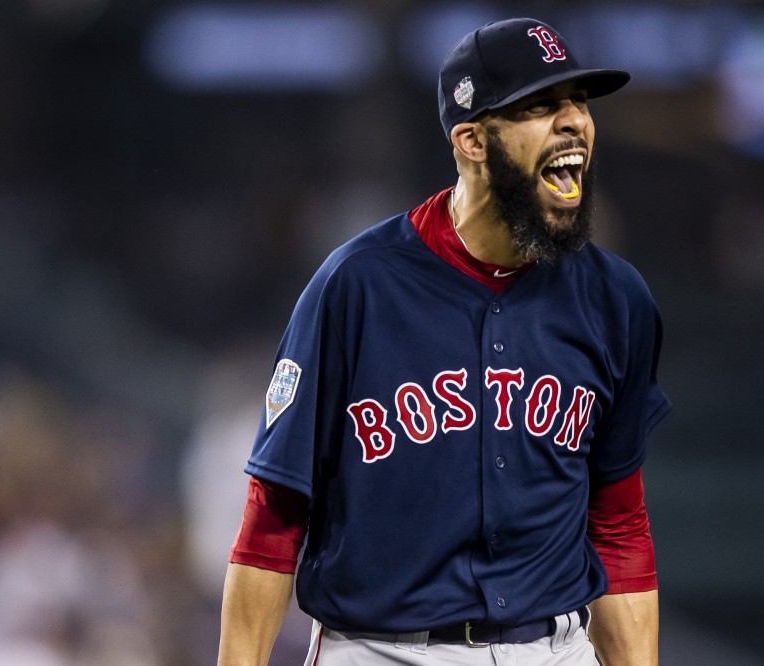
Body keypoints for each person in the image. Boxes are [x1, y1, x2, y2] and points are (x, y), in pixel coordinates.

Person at [218, 17, 671, 666]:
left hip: (554, 649)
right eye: (541, 106)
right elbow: (274, 517)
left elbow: (619, 521)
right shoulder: (357, 286)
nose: (573, 121)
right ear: (472, 141)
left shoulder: (616, 299)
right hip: (381, 649)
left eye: (577, 103)